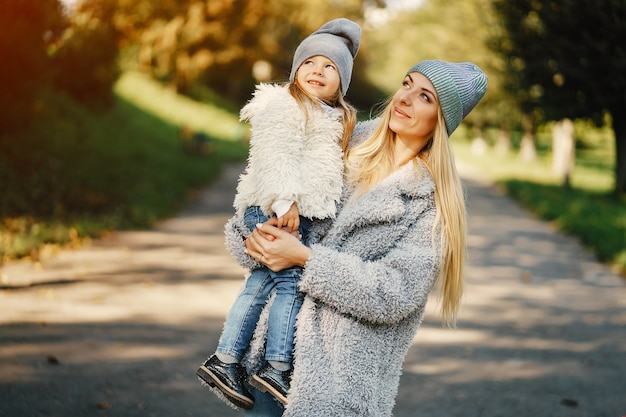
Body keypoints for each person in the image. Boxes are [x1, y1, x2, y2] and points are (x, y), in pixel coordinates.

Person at [224, 59, 488, 417]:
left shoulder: (431, 202)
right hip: (269, 362)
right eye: (406, 83)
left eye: (424, 96)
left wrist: (305, 258)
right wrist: (252, 236)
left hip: (336, 387)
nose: (405, 98)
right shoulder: (341, 142)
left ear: (441, 121)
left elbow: (393, 293)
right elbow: (267, 194)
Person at [196, 18, 361, 410]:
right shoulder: (285, 105)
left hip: (290, 213)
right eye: (310, 63)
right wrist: (285, 204)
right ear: (295, 69)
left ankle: (228, 360)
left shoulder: (329, 116)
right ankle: (274, 366)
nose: (318, 71)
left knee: (264, 283)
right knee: (287, 283)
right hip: (273, 207)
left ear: (343, 83)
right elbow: (274, 157)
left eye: (330, 67)